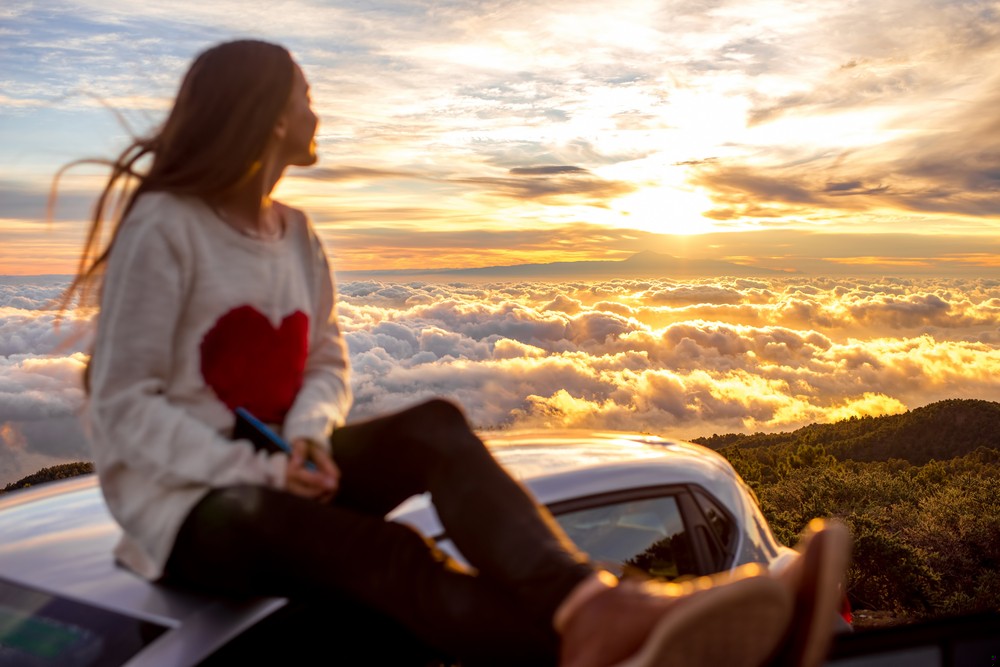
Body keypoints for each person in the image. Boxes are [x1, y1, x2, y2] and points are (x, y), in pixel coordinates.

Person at [61, 39, 848, 667]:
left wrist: (305, 436)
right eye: (306, 93)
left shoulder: (295, 232)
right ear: (269, 113)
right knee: (389, 554)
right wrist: (265, 471)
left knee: (435, 424)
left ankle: (598, 608)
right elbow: (124, 408)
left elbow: (325, 360)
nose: (316, 109)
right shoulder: (165, 224)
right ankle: (635, 632)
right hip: (187, 509)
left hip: (280, 467)